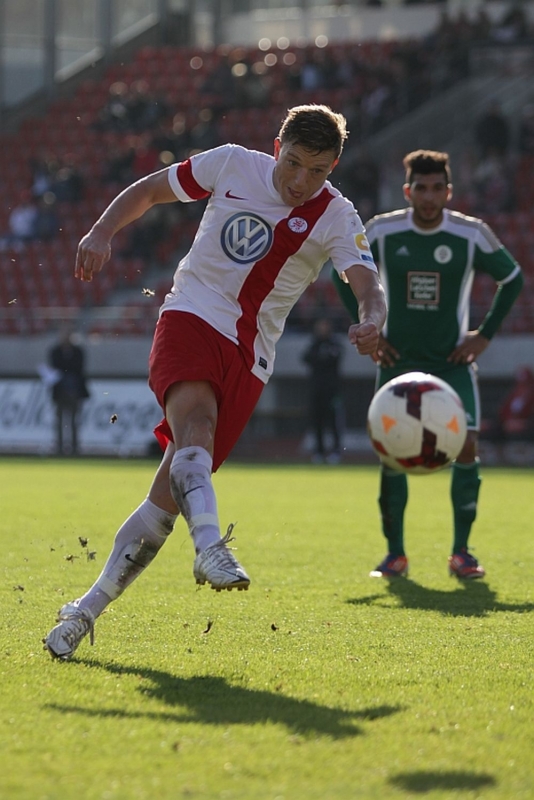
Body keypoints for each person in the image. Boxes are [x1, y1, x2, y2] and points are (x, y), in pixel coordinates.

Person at [44, 104, 387, 660]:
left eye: (317, 170)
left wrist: (373, 319)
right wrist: (102, 230)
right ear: (276, 149)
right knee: (197, 426)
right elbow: (151, 190)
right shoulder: (231, 164)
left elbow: (367, 283)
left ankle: (84, 610)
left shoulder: (337, 215)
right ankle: (209, 545)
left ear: (333, 168)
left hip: (250, 358)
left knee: (166, 500)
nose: (301, 181)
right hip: (191, 315)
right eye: (293, 163)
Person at [333, 149, 523, 580]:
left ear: (449, 191)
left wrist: (484, 335)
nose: (430, 196)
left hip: (451, 364)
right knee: (391, 454)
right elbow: (340, 273)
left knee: (467, 446)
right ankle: (395, 554)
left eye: (438, 188)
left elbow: (512, 278)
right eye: (422, 188)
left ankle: (462, 553)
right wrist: (371, 330)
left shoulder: (470, 234)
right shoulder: (382, 230)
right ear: (408, 191)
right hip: (397, 362)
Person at [302, 316, 344, 463]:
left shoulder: (334, 344)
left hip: (332, 391)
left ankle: (336, 451)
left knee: (333, 422)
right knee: (317, 421)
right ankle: (318, 451)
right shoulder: (314, 344)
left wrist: (321, 358)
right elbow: (306, 358)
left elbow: (335, 358)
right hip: (316, 390)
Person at [48, 328, 90, 456]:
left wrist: (65, 371)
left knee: (74, 421)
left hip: (74, 391)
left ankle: (75, 447)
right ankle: (59, 447)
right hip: (60, 392)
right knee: (59, 421)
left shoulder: (77, 351)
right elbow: (55, 367)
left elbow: (77, 368)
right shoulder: (55, 351)